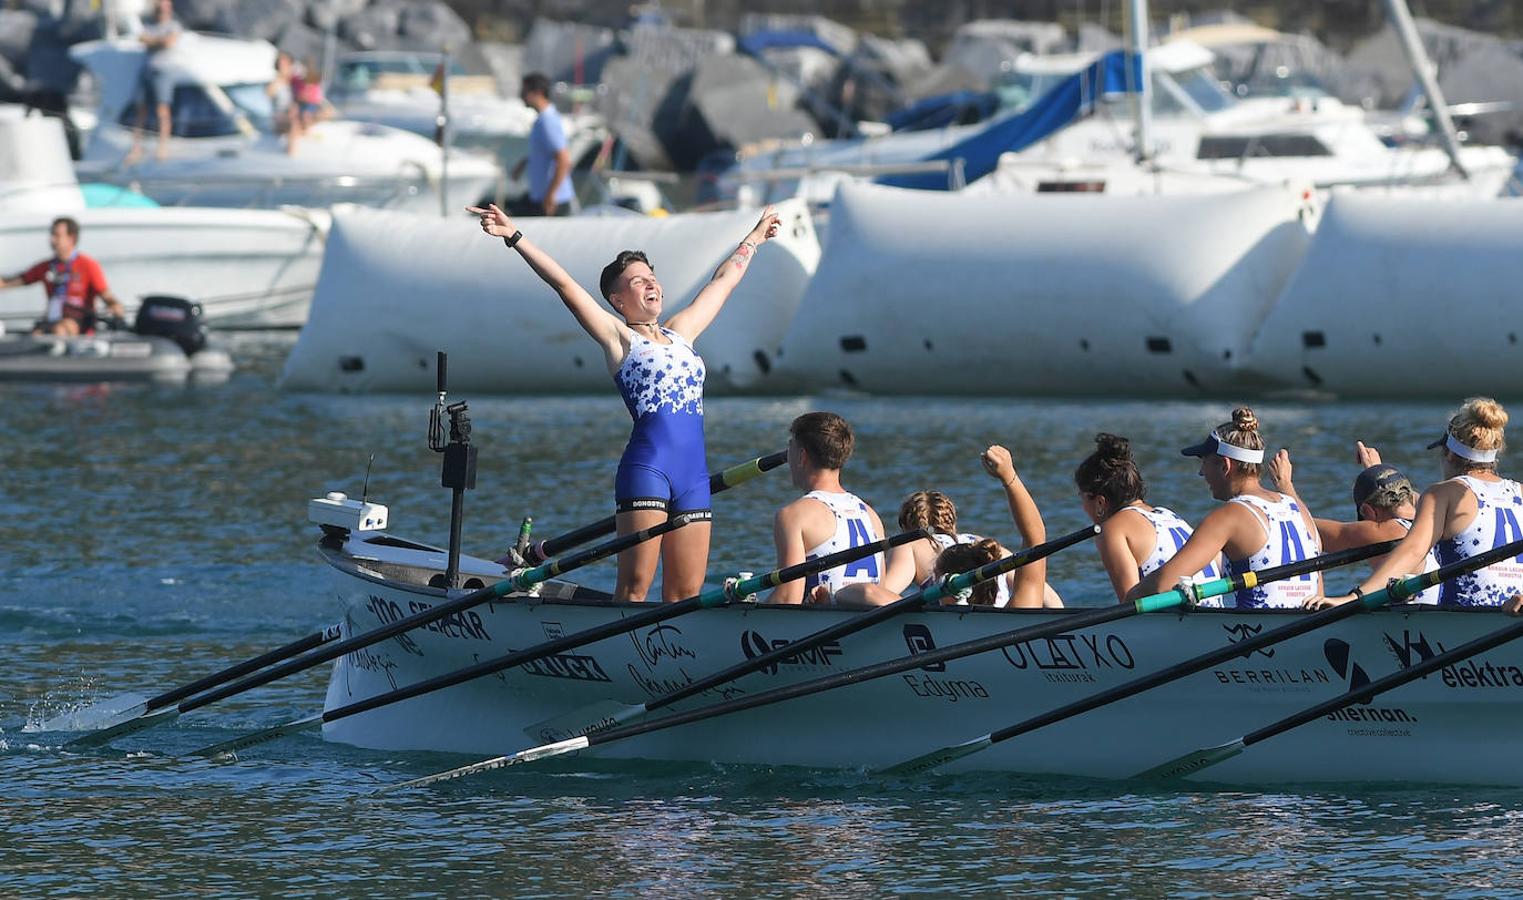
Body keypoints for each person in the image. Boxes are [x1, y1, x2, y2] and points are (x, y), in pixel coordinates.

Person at [468, 201, 781, 601]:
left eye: (652, 277)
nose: (651, 284)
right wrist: (513, 236)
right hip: (648, 470)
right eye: (637, 281)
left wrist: (754, 238)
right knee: (634, 590)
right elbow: (564, 285)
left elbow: (724, 281)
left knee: (686, 594)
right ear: (617, 301)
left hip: (694, 479)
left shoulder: (683, 332)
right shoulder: (620, 340)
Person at [1308, 398, 1523, 612]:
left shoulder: (1442, 493)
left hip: (1464, 621)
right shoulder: (1519, 492)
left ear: (1448, 452)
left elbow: (1412, 551)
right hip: (1513, 613)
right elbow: (1423, 506)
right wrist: (1378, 471)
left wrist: (1354, 597)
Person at [1127, 408, 1323, 609]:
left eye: (1204, 463)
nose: (1201, 472)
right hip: (1310, 625)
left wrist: (1130, 598)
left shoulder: (1230, 516)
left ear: (1225, 466)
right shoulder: (1299, 508)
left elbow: (1163, 584)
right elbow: (1319, 592)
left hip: (1253, 633)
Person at [1271, 441, 1440, 605]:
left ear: (1367, 511)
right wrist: (1377, 472)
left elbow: (1306, 529)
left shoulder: (1386, 531)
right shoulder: (1431, 519)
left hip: (1418, 627)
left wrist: (1284, 485)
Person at [1074, 432, 1220, 603]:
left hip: (1182, 624)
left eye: (1082, 498)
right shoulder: (1168, 515)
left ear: (1100, 502)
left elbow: (1130, 607)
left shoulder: (1112, 529)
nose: (1082, 507)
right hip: (1219, 614)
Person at [769, 412, 889, 605]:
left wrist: (741, 612)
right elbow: (881, 592)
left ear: (802, 456)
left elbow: (787, 598)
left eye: (790, 448)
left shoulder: (793, 516)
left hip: (817, 627)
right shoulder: (871, 515)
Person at [0, 217, 126, 336]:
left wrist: (114, 306)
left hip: (79, 321)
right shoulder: (46, 266)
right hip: (52, 320)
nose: (52, 240)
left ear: (71, 238)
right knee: (36, 335)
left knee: (61, 330)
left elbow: (107, 295)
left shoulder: (88, 265)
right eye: (52, 235)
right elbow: (14, 281)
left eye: (57, 235)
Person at [509, 73, 574, 217]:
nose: (521, 95)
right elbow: (546, 152)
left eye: (524, 91)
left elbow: (563, 160)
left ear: (537, 93)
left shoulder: (547, 121)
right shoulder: (543, 119)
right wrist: (525, 162)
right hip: (541, 198)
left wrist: (551, 195)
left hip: (552, 202)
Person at [129, 0, 181, 163]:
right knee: (141, 110)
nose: (162, 10)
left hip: (163, 71)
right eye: (160, 7)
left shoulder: (174, 25)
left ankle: (162, 147)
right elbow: (142, 38)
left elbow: (168, 42)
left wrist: (154, 41)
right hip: (147, 71)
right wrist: (158, 41)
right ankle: (136, 148)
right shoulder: (148, 24)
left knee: (162, 109)